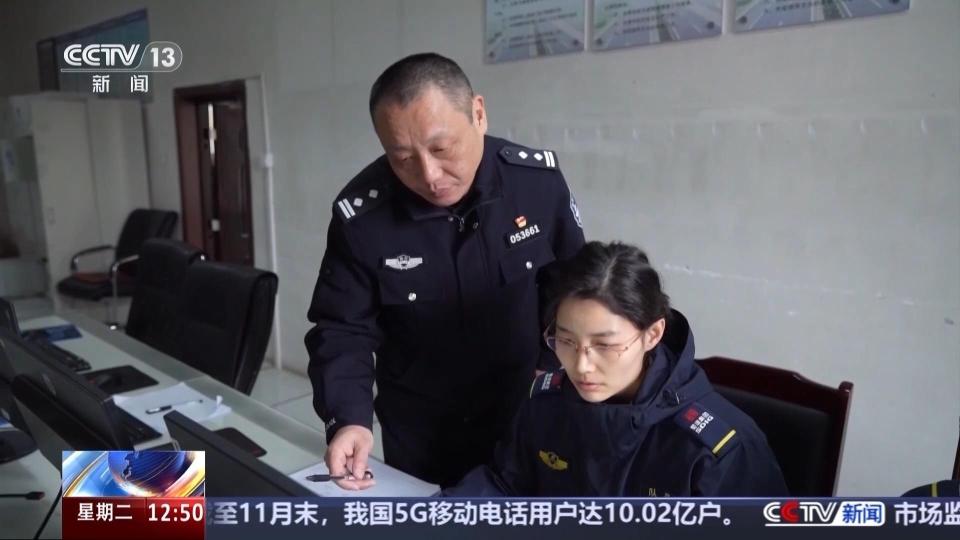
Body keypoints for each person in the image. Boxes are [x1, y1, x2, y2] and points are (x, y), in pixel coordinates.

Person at [305, 52, 585, 489]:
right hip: (421, 431)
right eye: (402, 158)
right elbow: (342, 328)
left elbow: (573, 289)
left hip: (527, 408)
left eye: (441, 148)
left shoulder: (535, 184)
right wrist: (348, 419)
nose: (430, 175)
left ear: (478, 114)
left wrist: (554, 370)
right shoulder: (363, 218)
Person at [445, 241, 787, 496]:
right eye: (566, 340)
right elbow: (505, 485)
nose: (581, 366)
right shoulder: (547, 405)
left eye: (605, 345)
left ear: (652, 334)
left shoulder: (716, 450)